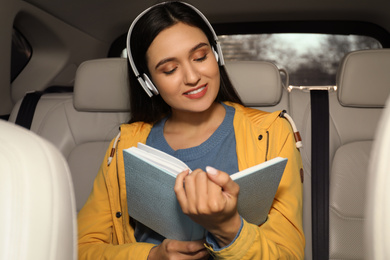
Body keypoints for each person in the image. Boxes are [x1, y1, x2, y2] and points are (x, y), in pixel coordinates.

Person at [77, 1, 305, 259]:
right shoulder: (125, 144)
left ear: (216, 55)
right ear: (149, 83)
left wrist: (229, 229)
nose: (192, 76)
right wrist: (151, 256)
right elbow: (81, 249)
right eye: (170, 69)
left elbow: (288, 254)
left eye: (200, 57)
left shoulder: (273, 132)